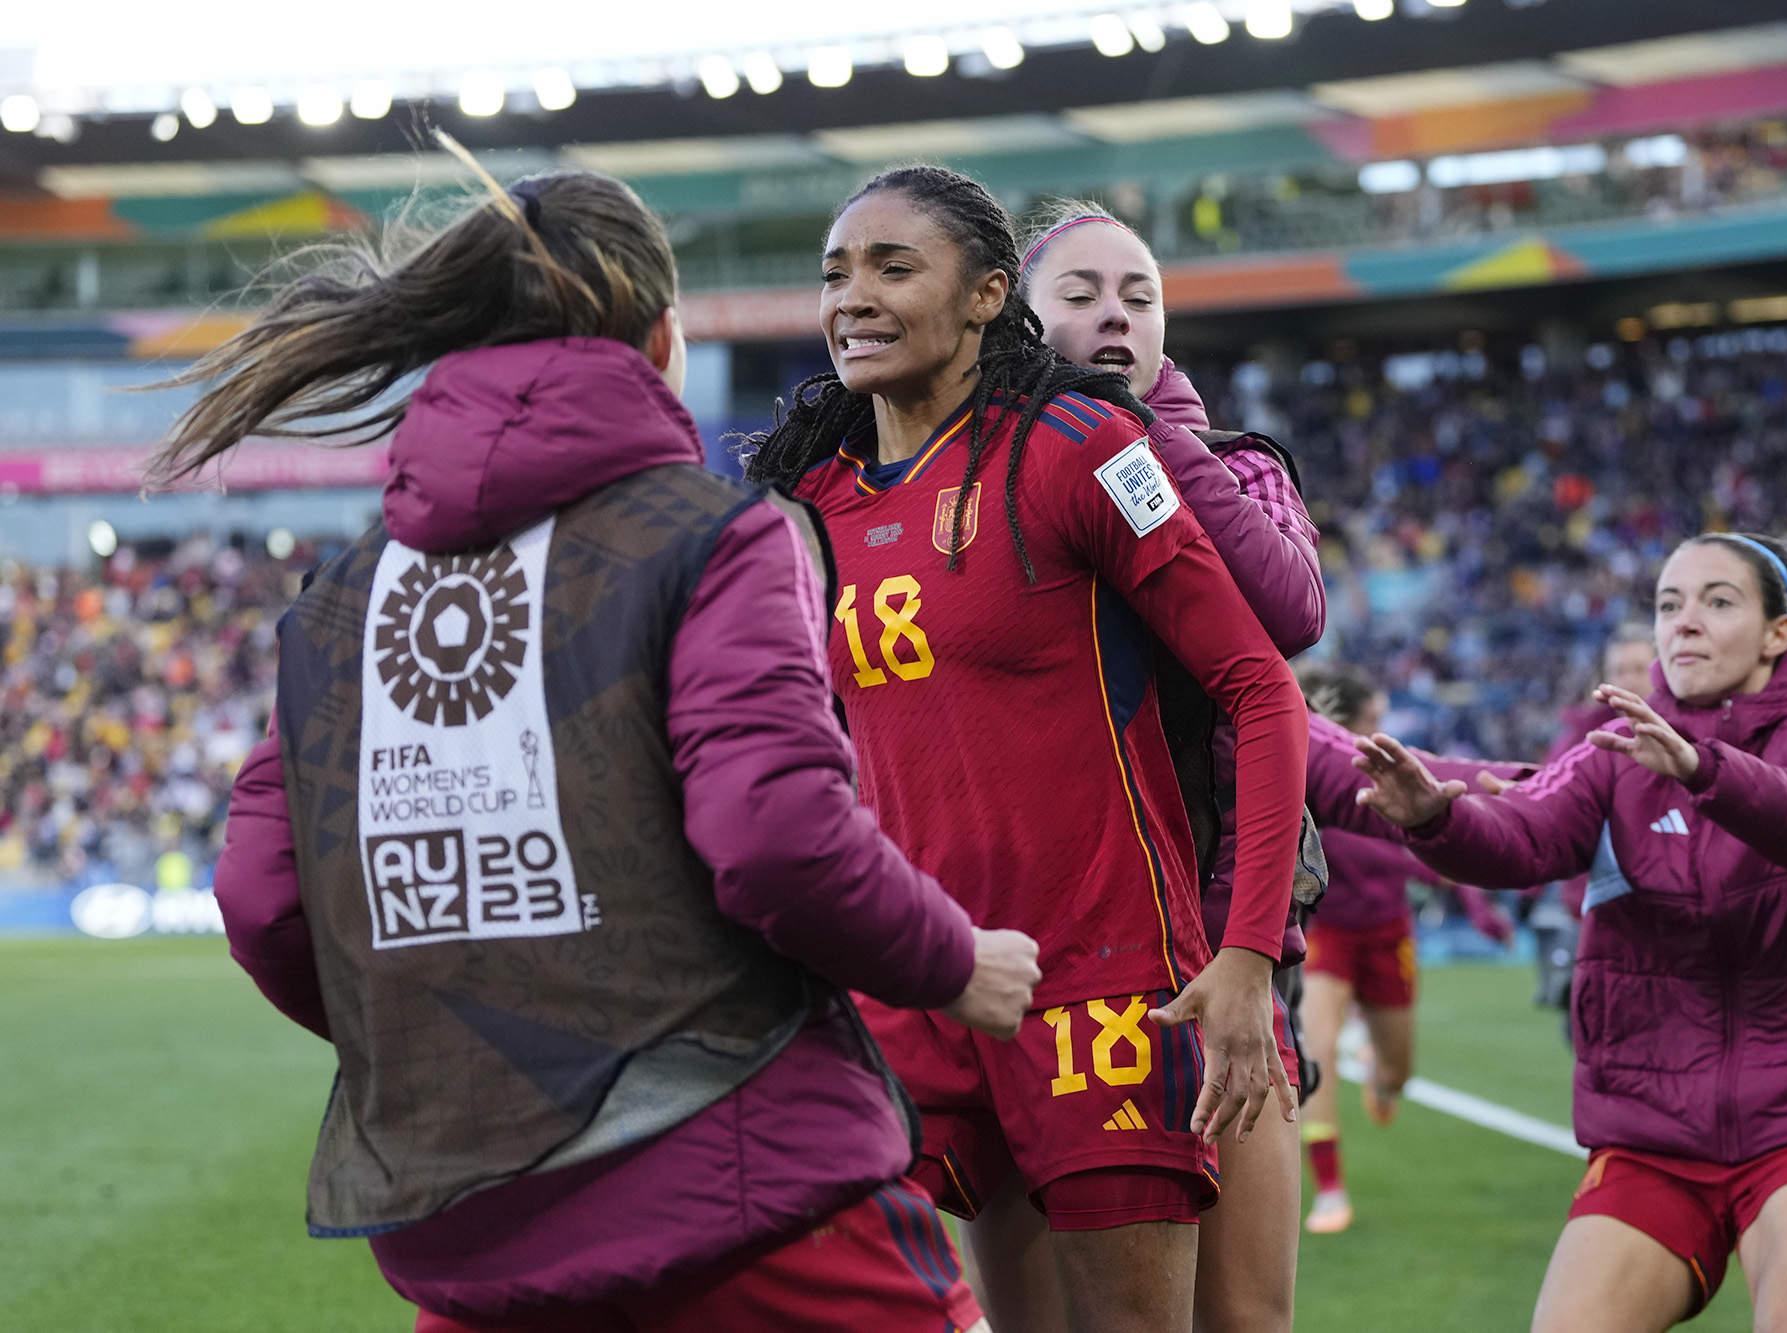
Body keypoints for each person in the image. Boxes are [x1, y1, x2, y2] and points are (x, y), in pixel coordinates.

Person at [161, 161, 1042, 1333]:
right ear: (663, 338)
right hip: (744, 1192)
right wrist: (952, 961)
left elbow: (263, 901)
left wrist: (469, 1043)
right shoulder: (710, 537)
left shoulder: (340, 599)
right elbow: (773, 835)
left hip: (474, 1216)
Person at [743, 166, 1308, 1333]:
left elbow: (1261, 687)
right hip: (911, 982)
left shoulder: (1082, 444)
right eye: (835, 274)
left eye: (893, 267)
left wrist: (1248, 954)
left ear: (987, 294)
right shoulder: (803, 497)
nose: (852, 297)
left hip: (1104, 989)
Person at [1353, 532, 1787, 1333]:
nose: (1685, 621)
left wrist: (1705, 770)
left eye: (1718, 601)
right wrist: (1437, 820)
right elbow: (1526, 835)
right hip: (1654, 1129)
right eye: (1669, 604)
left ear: (1778, 633)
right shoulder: (1614, 749)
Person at [1011, 199, 1323, 1333]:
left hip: (1216, 938)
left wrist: (1142, 436)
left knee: (1240, 1317)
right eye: (1081, 294)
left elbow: (1289, 616)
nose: (1115, 315)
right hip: (1042, 947)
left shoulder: (1236, 464)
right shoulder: (989, 484)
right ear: (1016, 318)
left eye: (1138, 297)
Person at [1292, 662, 1525, 1235]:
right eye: (1372, 719)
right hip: (1328, 935)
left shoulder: (1390, 773)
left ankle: (1380, 1070)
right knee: (1314, 1054)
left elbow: (1434, 840)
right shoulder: (1314, 775)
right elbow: (1372, 852)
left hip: (1389, 931)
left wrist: (1480, 910)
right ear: (1340, 722)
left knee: (1398, 1076)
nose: (1382, 729)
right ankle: (1329, 1190)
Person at [1532, 625, 1658, 1034]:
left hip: (1663, 919)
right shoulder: (1578, 741)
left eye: (1639, 669)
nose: (1629, 680)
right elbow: (1541, 811)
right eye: (1619, 670)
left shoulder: (1687, 737)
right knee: (1590, 1041)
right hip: (1591, 917)